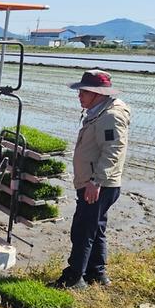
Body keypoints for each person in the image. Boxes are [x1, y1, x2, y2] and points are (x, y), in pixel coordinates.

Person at [53, 70, 131, 289]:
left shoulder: (111, 116)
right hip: (95, 182)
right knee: (96, 228)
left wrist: (96, 181)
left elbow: (113, 151)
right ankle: (97, 273)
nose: (79, 96)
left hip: (98, 184)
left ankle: (74, 277)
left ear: (99, 94)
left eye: (84, 92)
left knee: (83, 230)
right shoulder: (100, 111)